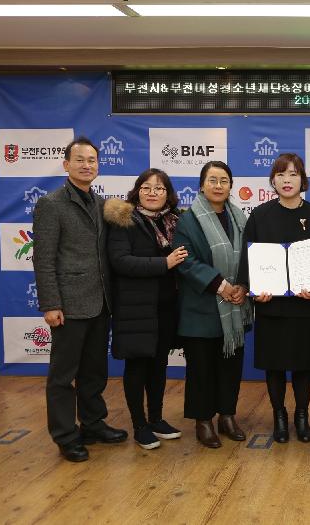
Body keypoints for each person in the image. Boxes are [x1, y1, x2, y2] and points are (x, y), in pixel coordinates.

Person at [33, 136, 127, 462]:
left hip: (100, 303)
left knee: (94, 372)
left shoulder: (101, 204)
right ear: (66, 164)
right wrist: (50, 304)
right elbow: (43, 259)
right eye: (80, 160)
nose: (87, 165)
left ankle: (93, 423)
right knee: (62, 376)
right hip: (69, 305)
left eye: (92, 160)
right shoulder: (51, 204)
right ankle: (65, 435)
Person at [236, 153, 310, 444]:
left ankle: (302, 415)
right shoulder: (260, 215)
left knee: (302, 364)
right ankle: (279, 415)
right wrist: (254, 289)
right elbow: (247, 258)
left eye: (293, 174)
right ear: (273, 180)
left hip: (305, 304)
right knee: (274, 364)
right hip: (270, 305)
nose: (287, 180)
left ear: (303, 180)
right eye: (281, 174)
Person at [104, 168, 187, 450]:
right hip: (135, 307)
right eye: (147, 187)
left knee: (159, 364)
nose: (153, 193)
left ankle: (156, 419)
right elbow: (121, 261)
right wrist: (164, 263)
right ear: (137, 191)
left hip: (166, 306)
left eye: (159, 188)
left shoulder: (174, 221)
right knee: (137, 366)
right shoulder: (125, 220)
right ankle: (140, 425)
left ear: (168, 194)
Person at [172, 161, 252, 449]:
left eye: (224, 181)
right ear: (202, 185)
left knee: (231, 367)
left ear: (231, 186)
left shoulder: (240, 217)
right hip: (201, 307)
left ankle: (227, 416)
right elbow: (186, 261)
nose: (218, 186)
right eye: (212, 180)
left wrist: (242, 285)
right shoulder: (187, 220)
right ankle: (203, 421)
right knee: (201, 369)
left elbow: (251, 255)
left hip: (235, 307)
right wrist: (221, 285)